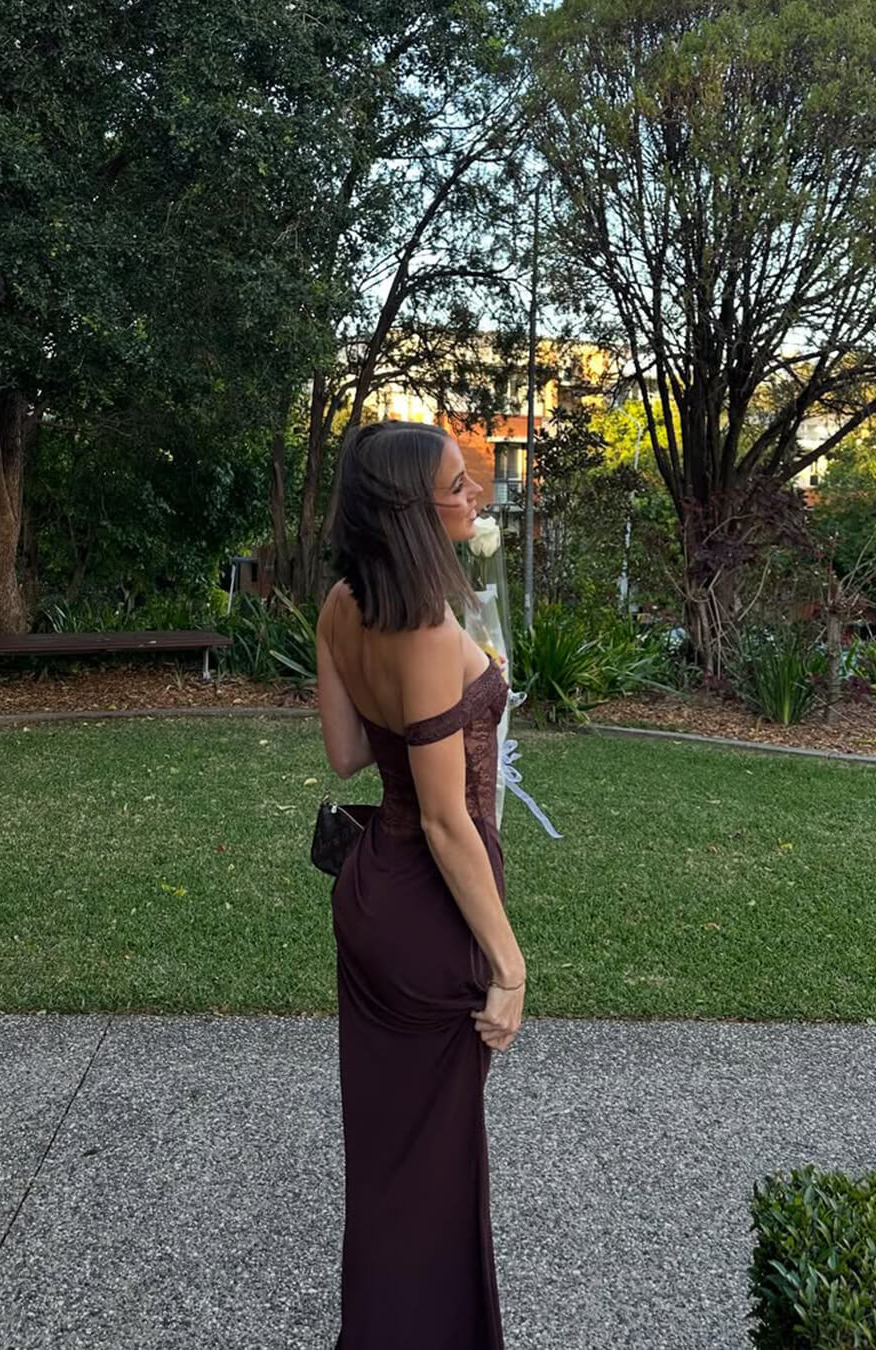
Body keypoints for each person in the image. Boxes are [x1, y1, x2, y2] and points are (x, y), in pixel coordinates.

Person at [316, 420, 527, 1349]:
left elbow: (346, 752)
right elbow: (447, 822)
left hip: (371, 899)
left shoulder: (340, 605)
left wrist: (452, 704)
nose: (474, 494)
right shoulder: (429, 632)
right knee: (436, 1174)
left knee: (389, 1165)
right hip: (431, 916)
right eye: (457, 485)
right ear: (411, 511)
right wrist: (510, 967)